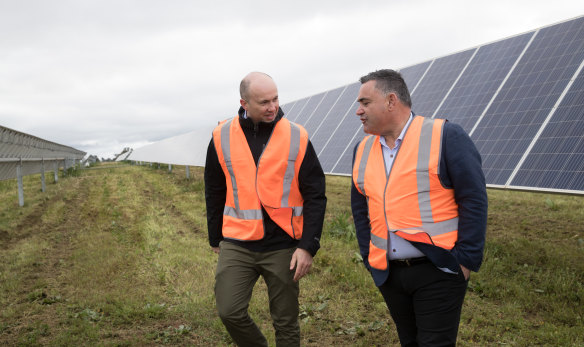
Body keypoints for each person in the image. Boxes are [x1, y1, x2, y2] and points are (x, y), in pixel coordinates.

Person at [351, 69, 488, 346]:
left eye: (365, 102)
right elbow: (360, 208)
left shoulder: (445, 135)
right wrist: (369, 256)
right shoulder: (362, 149)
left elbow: (474, 199)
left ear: (391, 100)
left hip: (439, 268)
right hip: (389, 273)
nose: (359, 111)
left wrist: (465, 261)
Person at [204, 71, 327, 347]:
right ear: (244, 103)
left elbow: (316, 194)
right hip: (238, 242)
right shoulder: (222, 135)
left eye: (275, 99)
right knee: (229, 311)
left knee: (286, 322)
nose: (273, 107)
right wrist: (215, 236)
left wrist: (308, 245)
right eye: (263, 102)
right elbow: (213, 188)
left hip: (284, 244)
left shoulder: (297, 135)